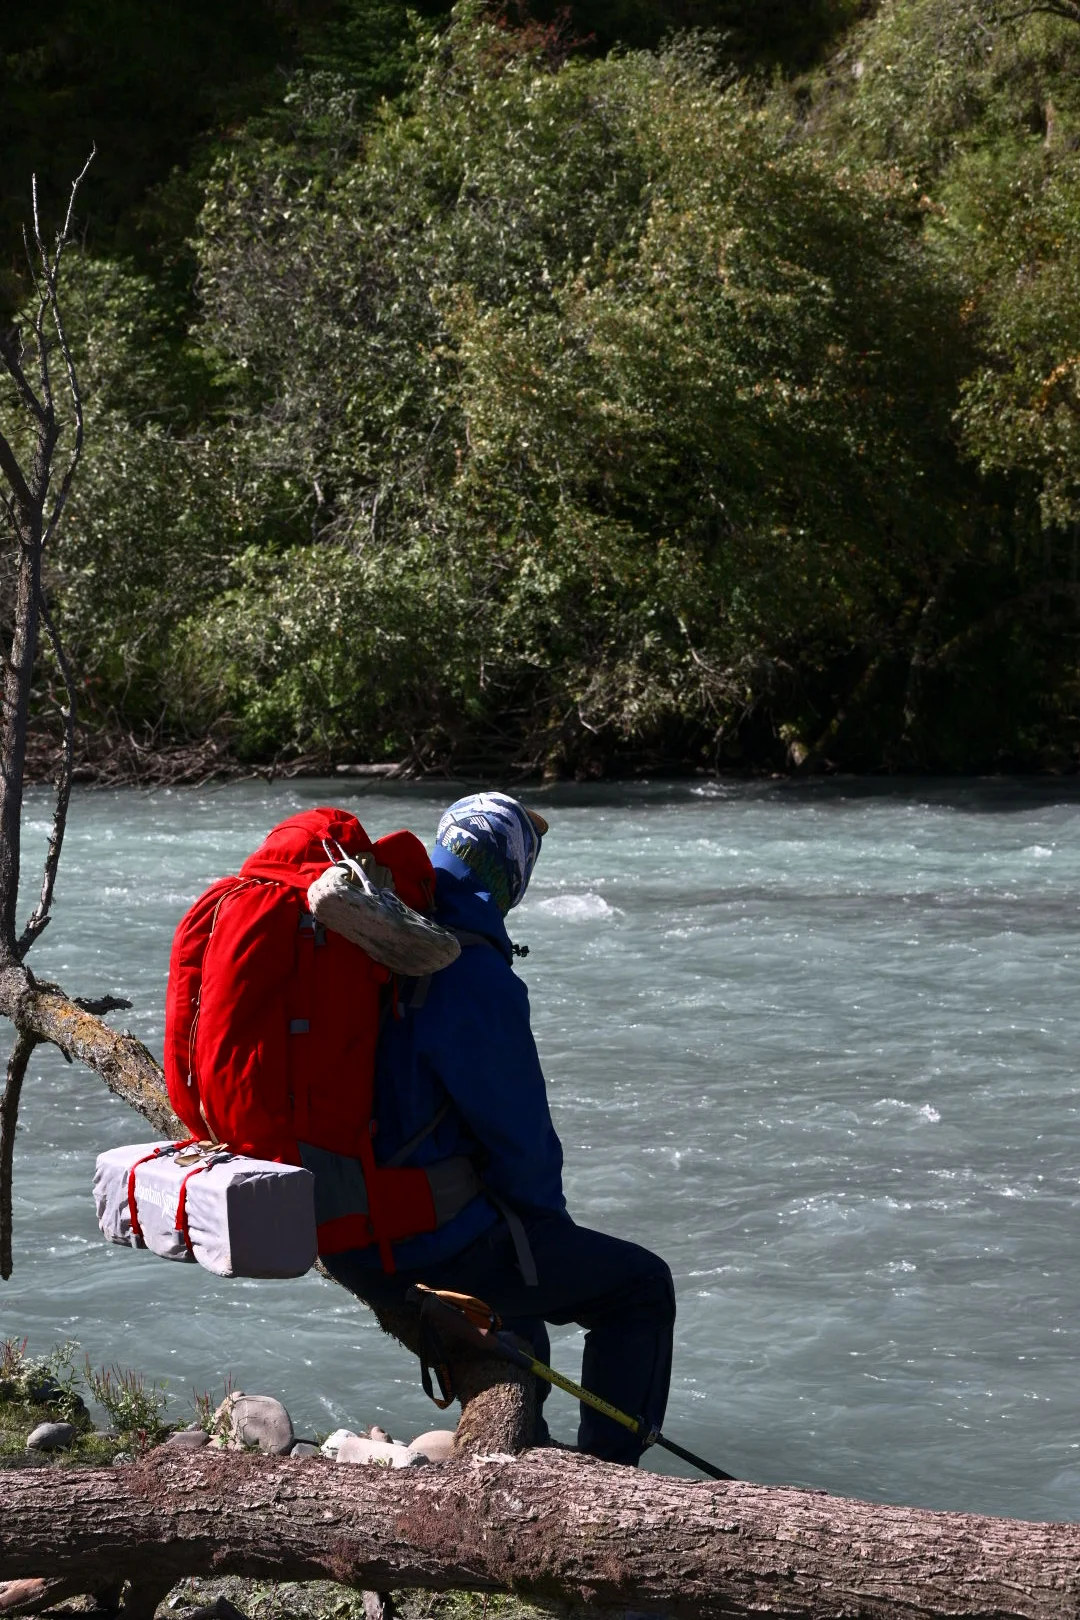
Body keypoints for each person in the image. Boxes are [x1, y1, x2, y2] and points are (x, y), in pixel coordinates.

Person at [322, 791, 676, 1465]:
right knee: (639, 1288)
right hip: (414, 1247)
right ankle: (606, 1483)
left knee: (522, 1315)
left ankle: (520, 1458)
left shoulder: (368, 936)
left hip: (337, 1227)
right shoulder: (471, 971)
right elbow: (523, 1150)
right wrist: (550, 1237)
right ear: (510, 876)